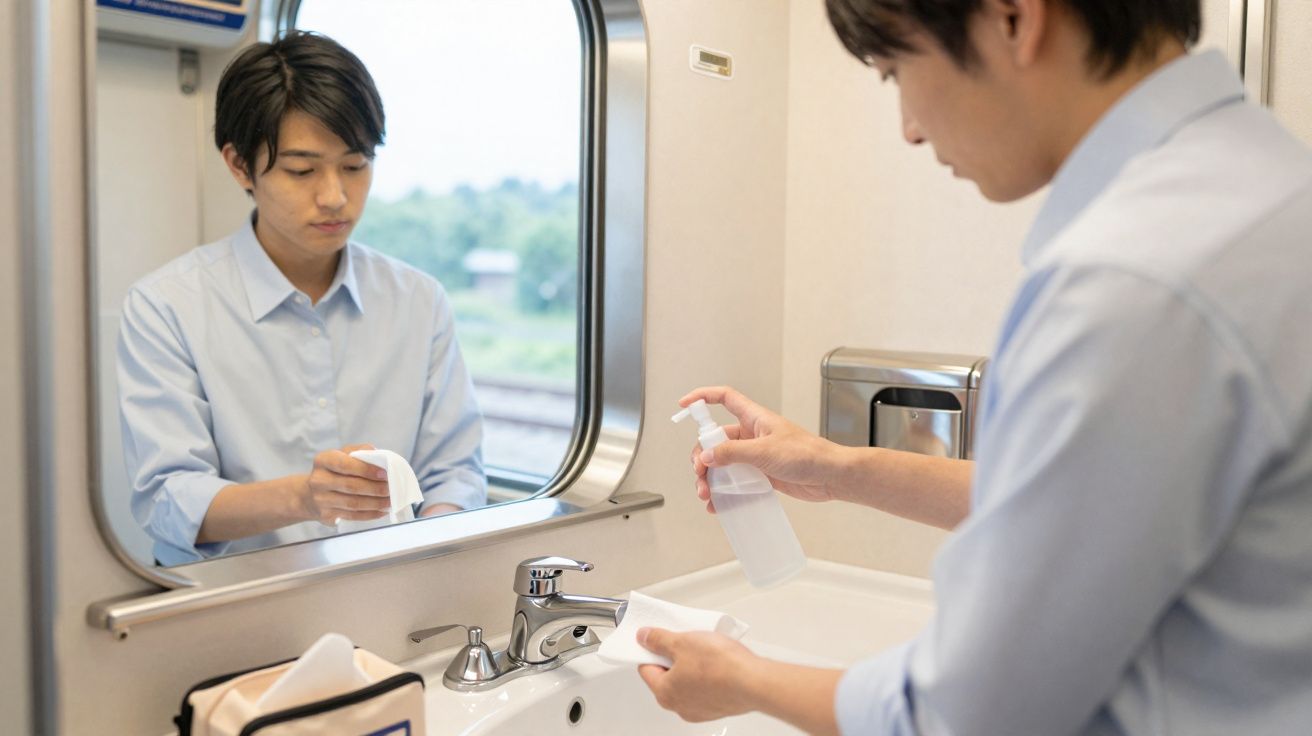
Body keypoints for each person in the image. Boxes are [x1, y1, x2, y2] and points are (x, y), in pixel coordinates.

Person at [638, 0, 1312, 734]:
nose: (910, 128)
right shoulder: (1265, 188)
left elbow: (962, 716)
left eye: (897, 71)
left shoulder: (1131, 280)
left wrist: (743, 680)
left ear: (1014, 18)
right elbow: (1094, 500)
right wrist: (833, 465)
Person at [117, 31, 486, 567]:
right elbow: (167, 499)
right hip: (229, 608)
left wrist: (430, 534)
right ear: (240, 165)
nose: (335, 195)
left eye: (355, 165)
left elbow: (456, 472)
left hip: (387, 588)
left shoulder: (418, 300)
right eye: (302, 170)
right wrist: (305, 498)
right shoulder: (167, 306)